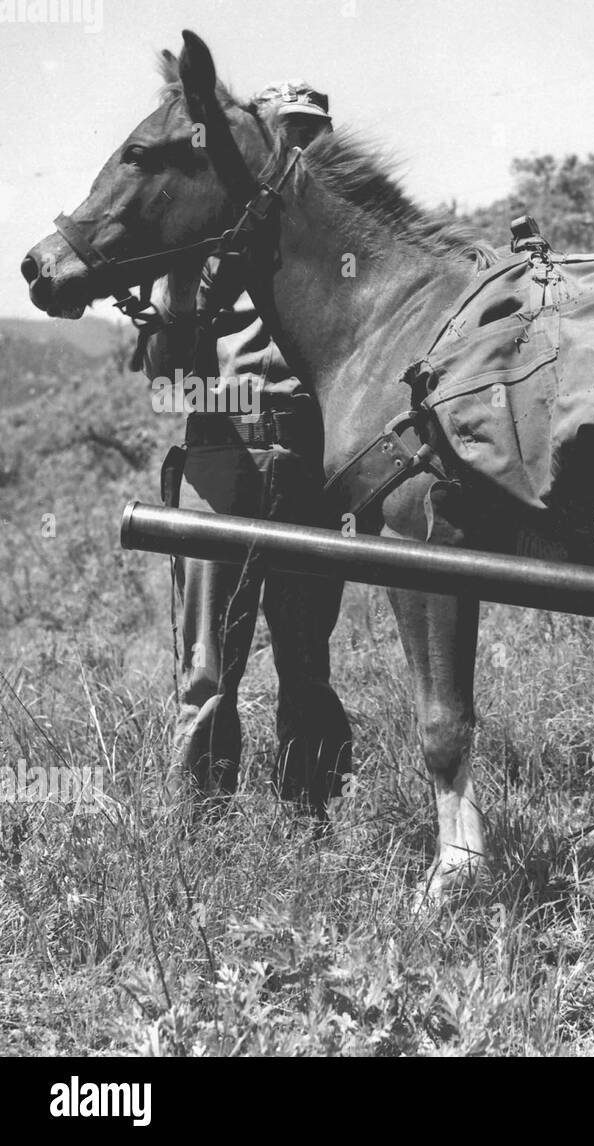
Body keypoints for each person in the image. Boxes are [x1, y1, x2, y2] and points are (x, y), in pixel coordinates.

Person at [142, 81, 351, 820]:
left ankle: (308, 818)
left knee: (304, 662)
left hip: (306, 459)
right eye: (288, 131)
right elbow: (167, 383)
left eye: (312, 134)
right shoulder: (202, 241)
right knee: (207, 670)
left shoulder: (341, 249)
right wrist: (181, 299)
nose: (300, 146)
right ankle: (203, 832)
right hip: (221, 458)